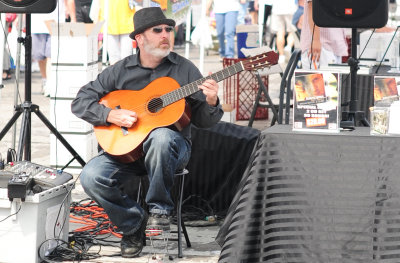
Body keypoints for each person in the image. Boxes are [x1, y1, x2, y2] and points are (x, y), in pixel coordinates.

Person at [71, 7, 223, 258]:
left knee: (161, 136)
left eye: (168, 30)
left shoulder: (185, 70)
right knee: (90, 176)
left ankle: (160, 212)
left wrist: (211, 101)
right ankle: (133, 224)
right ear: (139, 38)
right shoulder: (120, 70)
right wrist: (109, 115)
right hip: (127, 150)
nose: (166, 34)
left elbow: (204, 122)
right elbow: (80, 101)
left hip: (172, 151)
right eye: (158, 30)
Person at [31, 0, 76, 95]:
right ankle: (45, 80)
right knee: (39, 56)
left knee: (51, 54)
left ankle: (50, 84)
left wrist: (73, 18)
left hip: (56, 22)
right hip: (37, 23)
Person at [299, 0, 348, 69]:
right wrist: (315, 40)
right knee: (318, 78)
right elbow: (312, 6)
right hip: (321, 44)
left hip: (333, 43)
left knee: (333, 79)